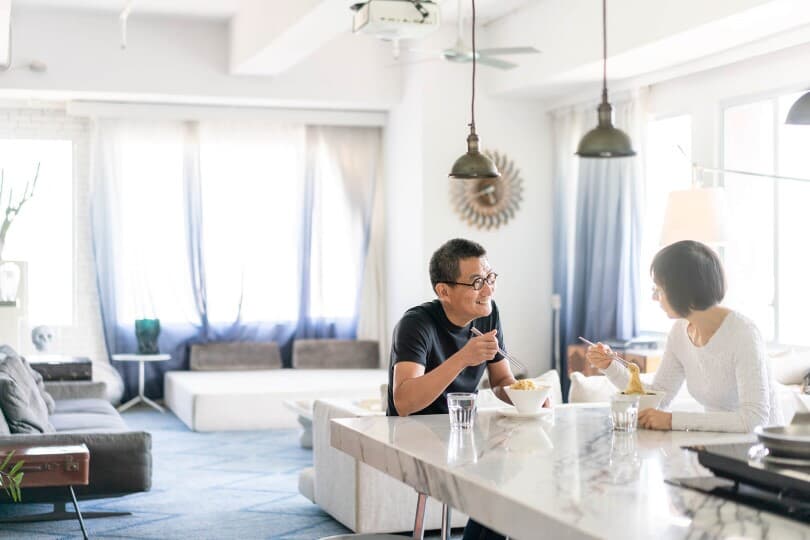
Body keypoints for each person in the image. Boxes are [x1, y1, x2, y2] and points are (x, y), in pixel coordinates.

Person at [388, 238, 531, 540]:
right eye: (477, 282)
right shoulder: (416, 324)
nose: (488, 289)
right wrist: (463, 357)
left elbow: (502, 381)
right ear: (444, 291)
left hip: (464, 434)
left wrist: (528, 397)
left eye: (490, 278)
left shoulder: (488, 313)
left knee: (518, 479)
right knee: (500, 484)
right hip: (415, 435)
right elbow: (403, 401)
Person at [586, 240, 783, 432]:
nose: (654, 298)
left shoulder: (743, 334)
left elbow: (754, 420)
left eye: (659, 290)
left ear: (682, 289)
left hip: (761, 453)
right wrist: (609, 366)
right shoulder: (680, 332)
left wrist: (673, 420)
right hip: (717, 450)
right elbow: (659, 397)